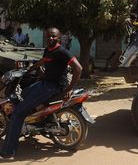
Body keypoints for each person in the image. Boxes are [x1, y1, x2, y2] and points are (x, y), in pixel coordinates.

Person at [0, 28, 83, 160]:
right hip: (46, 82)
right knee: (24, 94)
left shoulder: (62, 51)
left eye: (54, 37)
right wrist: (30, 69)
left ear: (59, 38)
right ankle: (36, 121)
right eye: (49, 36)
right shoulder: (48, 50)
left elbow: (78, 68)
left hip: (53, 87)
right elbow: (43, 61)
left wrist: (69, 89)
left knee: (18, 113)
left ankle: (9, 151)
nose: (51, 38)